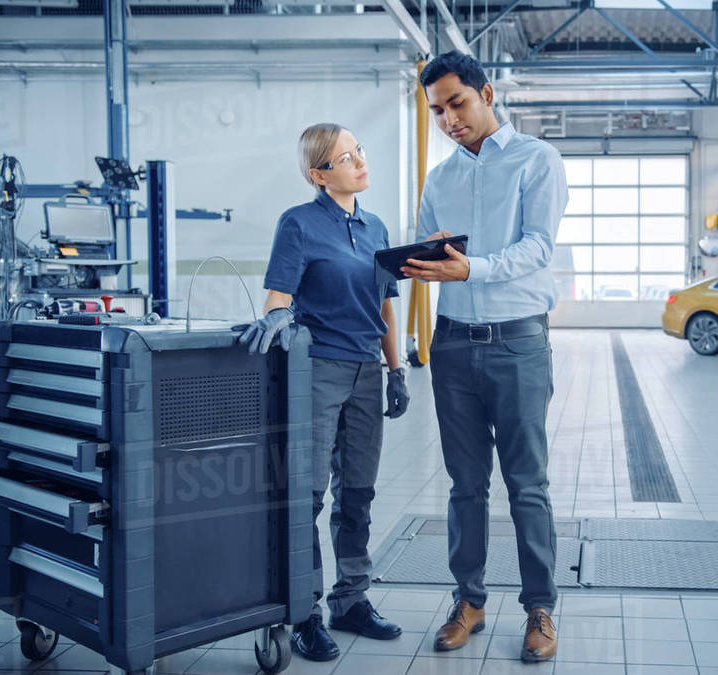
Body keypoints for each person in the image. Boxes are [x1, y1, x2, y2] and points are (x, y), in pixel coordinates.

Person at [401, 51, 567, 664]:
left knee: (527, 485)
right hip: (451, 344)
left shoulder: (536, 160)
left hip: (518, 343)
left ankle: (540, 609)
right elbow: (428, 244)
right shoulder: (440, 177)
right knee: (465, 486)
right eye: (437, 111)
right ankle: (469, 602)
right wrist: (414, 260)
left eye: (457, 103)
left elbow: (539, 245)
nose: (448, 119)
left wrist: (474, 268)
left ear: (486, 93)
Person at [241, 122, 409, 662]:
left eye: (360, 150)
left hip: (366, 371)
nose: (360, 161)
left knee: (358, 491)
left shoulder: (378, 227)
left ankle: (351, 598)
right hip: (317, 370)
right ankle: (304, 611)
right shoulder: (299, 224)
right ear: (319, 174)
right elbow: (277, 294)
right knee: (309, 495)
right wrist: (279, 315)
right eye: (346, 157)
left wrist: (397, 368)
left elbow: (384, 304)